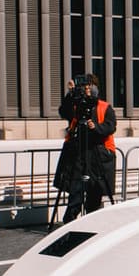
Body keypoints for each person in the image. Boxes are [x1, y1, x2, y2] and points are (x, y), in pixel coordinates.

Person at [53, 73, 117, 222]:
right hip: (79, 152)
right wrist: (70, 94)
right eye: (84, 87)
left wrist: (96, 127)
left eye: (89, 87)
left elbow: (111, 126)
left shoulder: (104, 107)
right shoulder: (77, 105)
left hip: (98, 153)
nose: (86, 90)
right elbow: (64, 112)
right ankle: (69, 220)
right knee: (76, 188)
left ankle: (90, 221)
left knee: (95, 191)